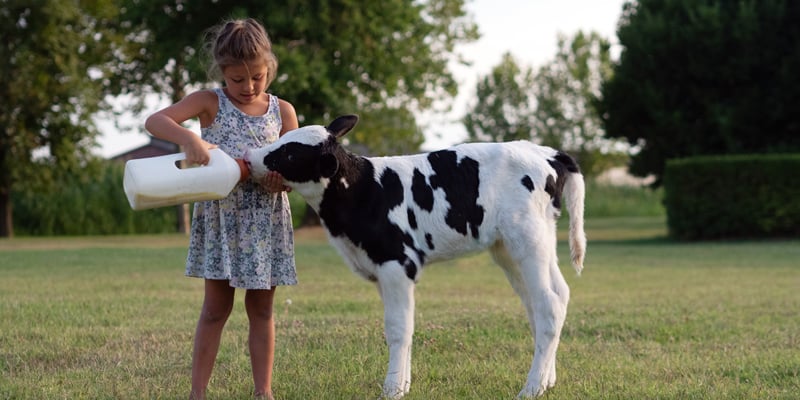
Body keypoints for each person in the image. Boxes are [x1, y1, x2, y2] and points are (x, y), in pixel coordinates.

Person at [144, 18, 297, 400]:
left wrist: (284, 180)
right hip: (222, 219)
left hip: (265, 219)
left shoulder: (284, 112)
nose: (248, 87)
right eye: (236, 80)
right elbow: (155, 120)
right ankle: (198, 393)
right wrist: (188, 138)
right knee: (215, 309)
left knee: (262, 311)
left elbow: (296, 167)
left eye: (257, 78)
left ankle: (264, 392)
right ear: (221, 73)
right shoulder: (209, 103)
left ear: (269, 67)